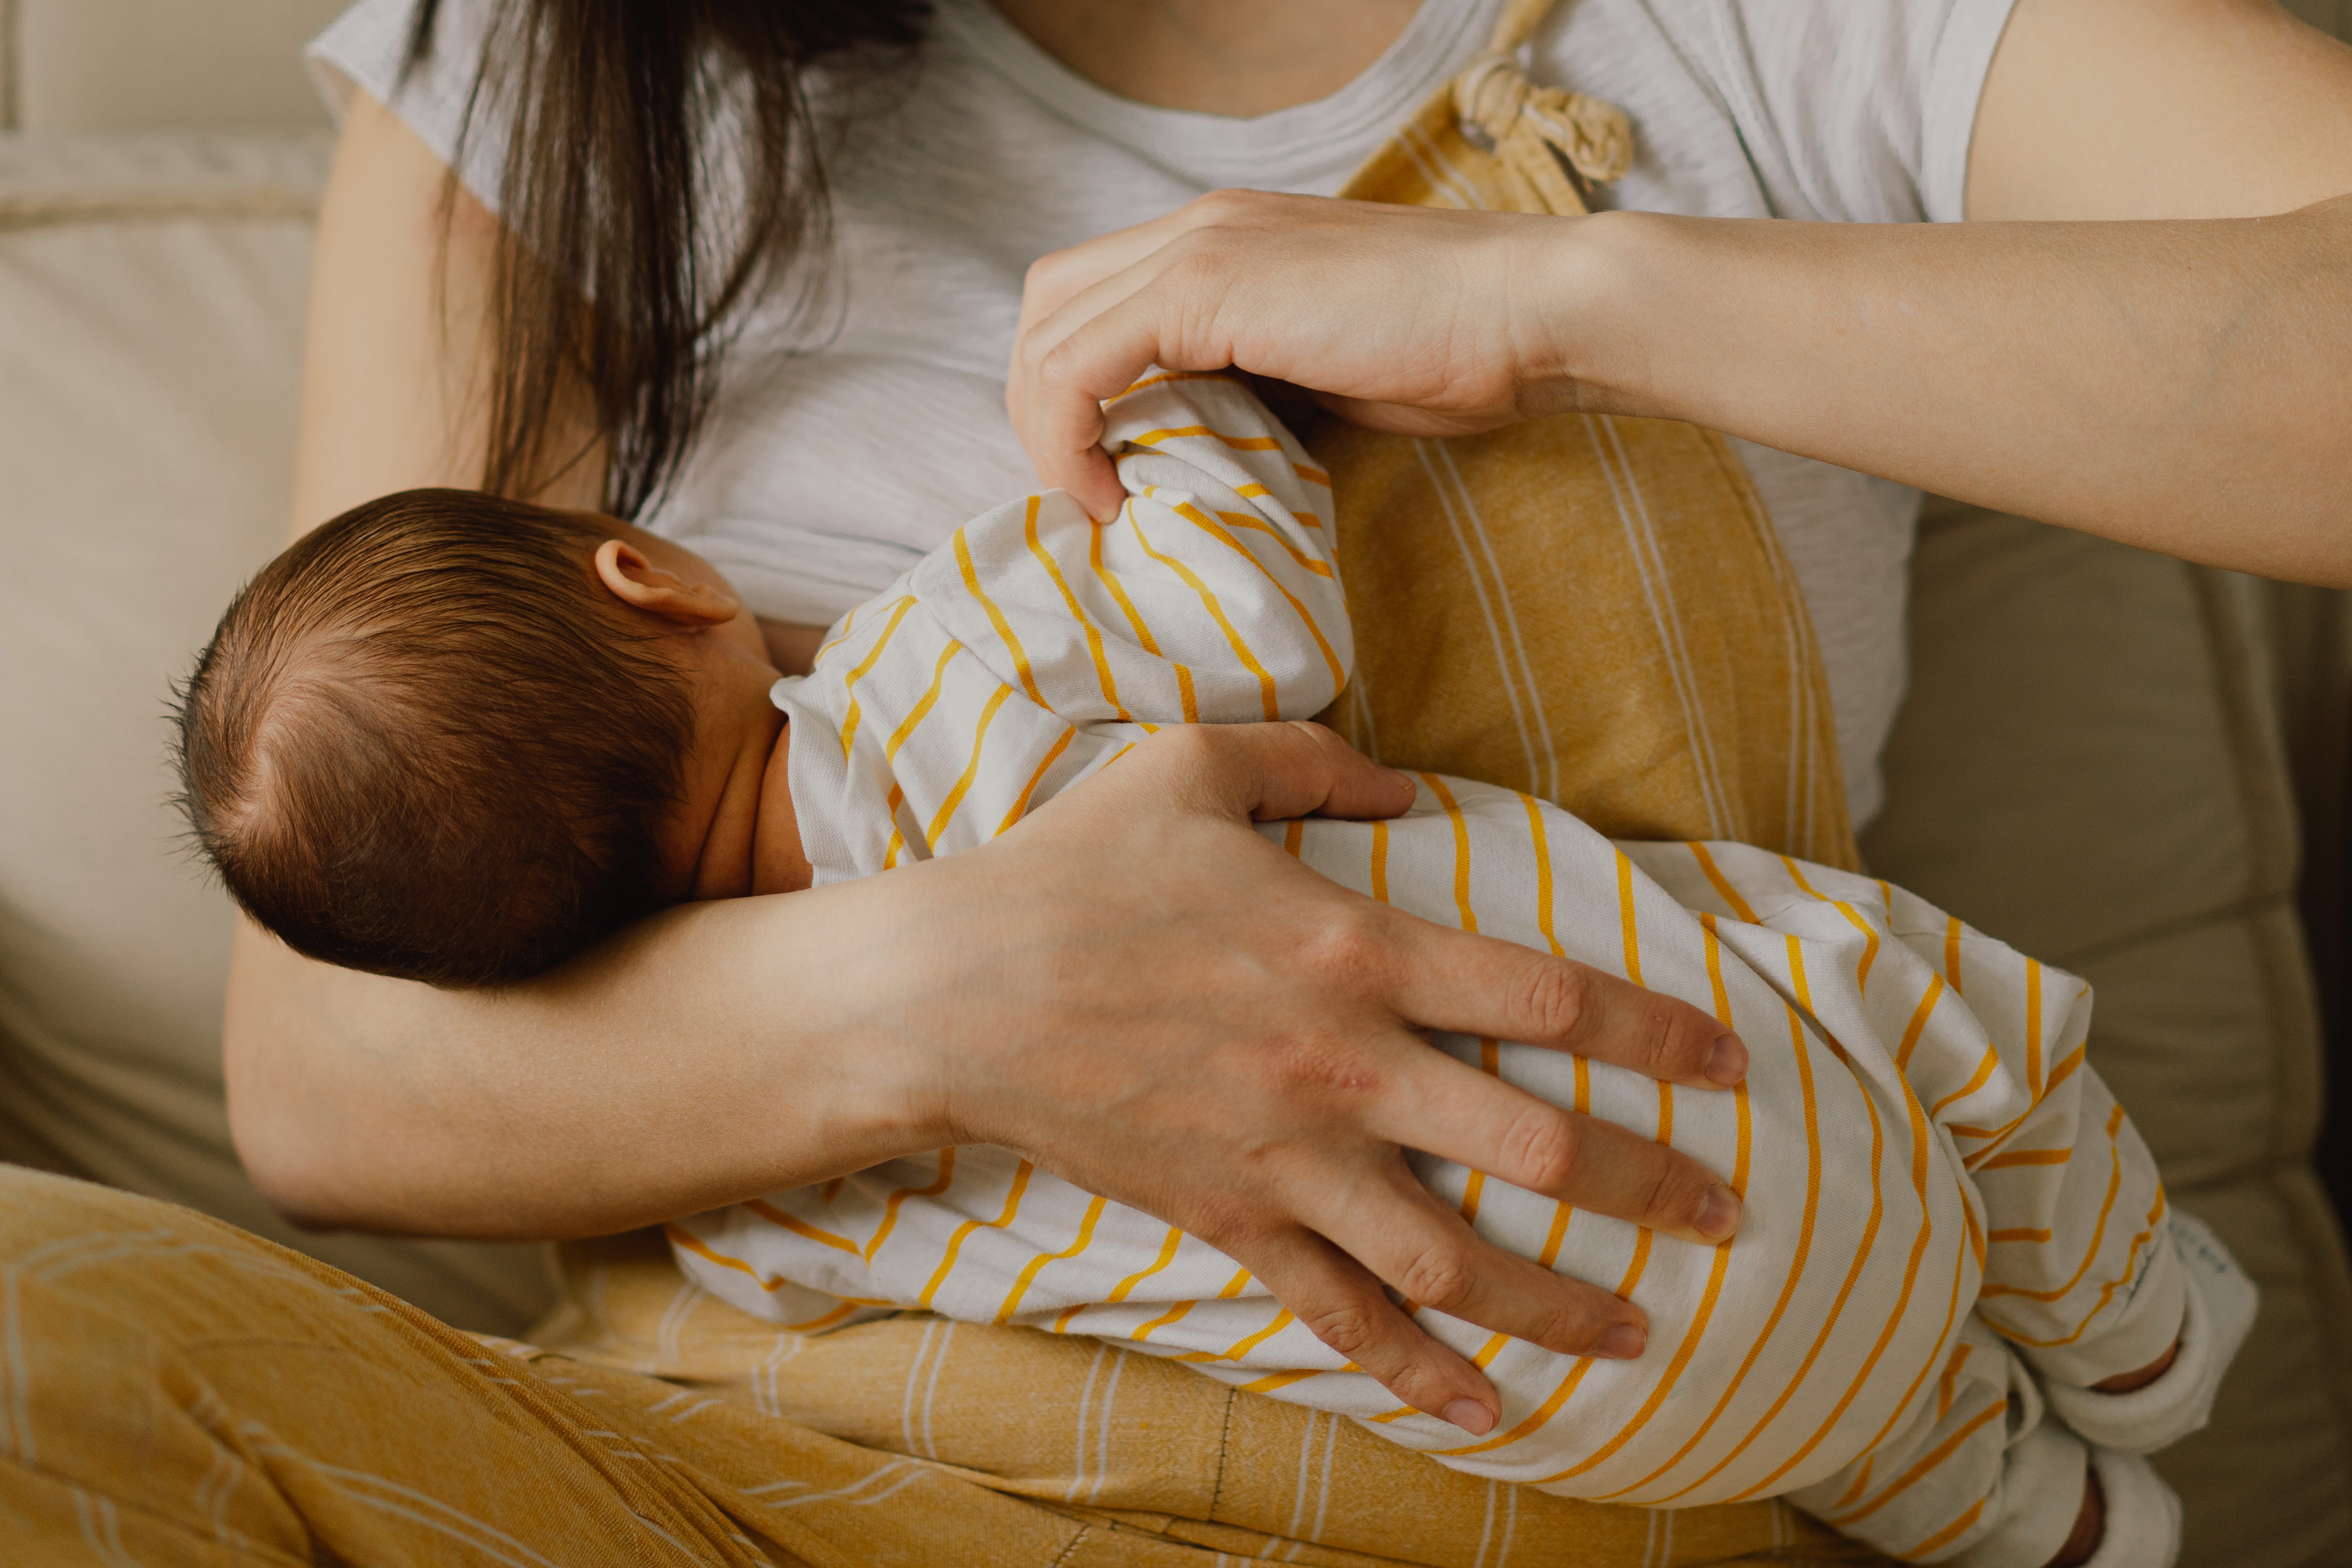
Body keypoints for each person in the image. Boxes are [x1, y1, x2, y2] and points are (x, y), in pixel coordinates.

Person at [176, 373, 2250, 1564]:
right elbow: (1252, 612)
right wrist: (1175, 397)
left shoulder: (747, 1205)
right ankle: (2141, 1331)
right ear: (652, 574)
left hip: (1613, 1422)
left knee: (1858, 1419)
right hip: (1775, 1104)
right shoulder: (941, 673)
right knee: (1902, 994)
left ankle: (2039, 1523)